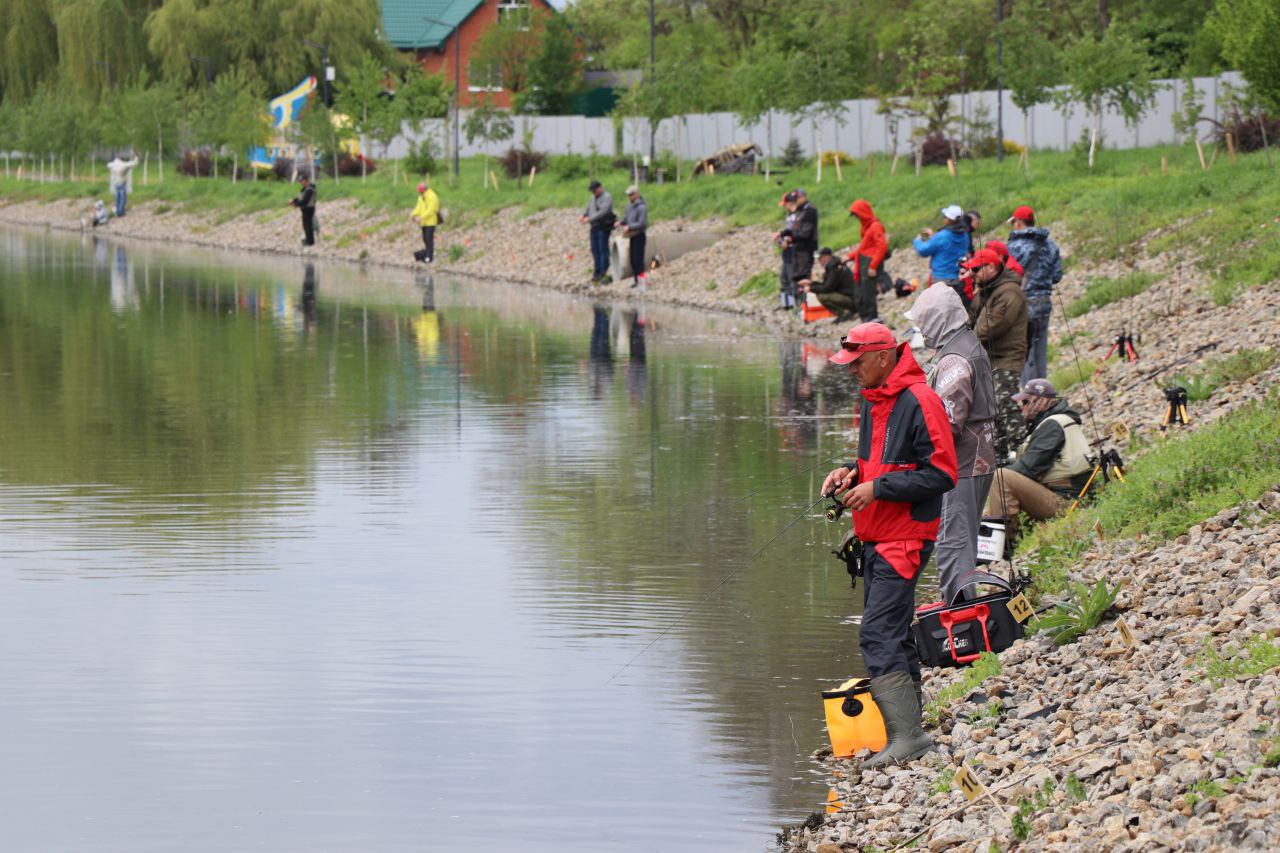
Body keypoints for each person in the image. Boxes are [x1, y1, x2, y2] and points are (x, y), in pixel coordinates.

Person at [821, 323, 958, 768]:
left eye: (857, 362)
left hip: (905, 536)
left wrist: (878, 489)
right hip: (876, 534)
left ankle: (908, 738)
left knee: (877, 633)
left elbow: (942, 474)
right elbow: (875, 462)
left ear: (883, 356)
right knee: (894, 631)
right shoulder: (874, 399)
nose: (852, 371)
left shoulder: (921, 400)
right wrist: (850, 472)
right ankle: (910, 732)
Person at [910, 285, 996, 604]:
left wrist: (912, 447)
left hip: (963, 464)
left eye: (923, 323)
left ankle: (961, 617)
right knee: (961, 541)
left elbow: (947, 421)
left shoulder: (954, 359)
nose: (920, 330)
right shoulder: (966, 343)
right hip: (978, 460)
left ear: (936, 321)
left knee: (953, 544)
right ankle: (962, 610)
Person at [985, 379, 1092, 539]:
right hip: (1068, 496)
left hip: (1067, 502)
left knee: (1000, 478)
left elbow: (1027, 469)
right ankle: (1000, 537)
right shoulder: (1055, 421)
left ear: (1042, 401)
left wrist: (1003, 469)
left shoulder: (1052, 425)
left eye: (1026, 401)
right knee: (992, 505)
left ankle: (1006, 542)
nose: (1022, 406)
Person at [964, 248, 1029, 461]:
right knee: (990, 408)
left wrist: (968, 341)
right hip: (988, 357)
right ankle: (1000, 456)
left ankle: (1024, 450)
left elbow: (995, 326)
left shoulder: (1010, 291)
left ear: (992, 267)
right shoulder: (985, 290)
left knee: (1005, 402)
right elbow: (973, 319)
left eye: (976, 268)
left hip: (1007, 356)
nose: (972, 273)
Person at [1006, 205, 1064, 384]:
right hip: (1044, 302)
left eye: (1013, 222)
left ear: (1019, 223)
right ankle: (1043, 392)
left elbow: (1006, 276)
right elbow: (1057, 276)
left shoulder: (1013, 247)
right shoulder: (1050, 244)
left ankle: (1030, 394)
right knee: (1040, 348)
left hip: (1023, 303)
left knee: (1024, 350)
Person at [913, 204, 970, 304]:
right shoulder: (965, 235)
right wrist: (934, 236)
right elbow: (947, 244)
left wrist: (917, 241)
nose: (944, 219)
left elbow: (923, 251)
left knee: (940, 311)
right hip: (959, 279)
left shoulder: (942, 236)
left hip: (941, 279)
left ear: (949, 220)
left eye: (945, 217)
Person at [847, 199, 889, 319]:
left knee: (868, 293)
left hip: (869, 264)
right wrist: (850, 257)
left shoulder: (875, 226)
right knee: (862, 293)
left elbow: (882, 246)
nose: (857, 218)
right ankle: (866, 319)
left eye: (857, 214)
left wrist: (873, 266)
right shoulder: (866, 227)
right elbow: (864, 248)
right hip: (863, 263)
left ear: (863, 213)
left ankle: (872, 319)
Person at [797, 247, 858, 321]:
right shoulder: (832, 265)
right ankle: (844, 313)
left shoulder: (834, 267)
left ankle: (845, 313)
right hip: (850, 297)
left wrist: (811, 288)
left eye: (820, 258)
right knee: (821, 294)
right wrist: (811, 283)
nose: (819, 261)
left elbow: (827, 288)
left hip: (852, 299)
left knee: (823, 296)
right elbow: (826, 284)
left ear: (826, 257)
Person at [779, 188, 819, 302]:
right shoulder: (800, 211)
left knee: (802, 277)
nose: (795, 201)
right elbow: (793, 230)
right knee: (792, 277)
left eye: (797, 199)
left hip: (805, 249)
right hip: (797, 249)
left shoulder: (810, 211)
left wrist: (790, 239)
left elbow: (805, 233)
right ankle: (795, 303)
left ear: (803, 197)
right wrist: (782, 234)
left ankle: (804, 303)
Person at [580, 180, 615, 283]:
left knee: (602, 250)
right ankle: (597, 272)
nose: (593, 193)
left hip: (603, 227)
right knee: (595, 250)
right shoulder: (592, 198)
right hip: (594, 227)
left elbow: (603, 212)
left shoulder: (607, 197)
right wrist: (584, 215)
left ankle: (603, 272)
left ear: (600, 188)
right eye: (592, 191)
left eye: (595, 190)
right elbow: (588, 209)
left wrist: (589, 219)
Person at [619, 184, 649, 287]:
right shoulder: (629, 206)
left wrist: (630, 227)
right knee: (632, 260)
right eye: (628, 195)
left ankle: (641, 282)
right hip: (632, 236)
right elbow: (626, 218)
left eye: (631, 195)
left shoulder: (642, 207)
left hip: (640, 235)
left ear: (637, 194)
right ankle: (637, 281)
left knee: (638, 260)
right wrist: (621, 223)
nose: (629, 197)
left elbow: (642, 223)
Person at [774, 193, 798, 310]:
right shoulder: (789, 216)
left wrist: (787, 241)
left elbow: (797, 233)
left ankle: (796, 306)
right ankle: (786, 305)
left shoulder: (798, 216)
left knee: (792, 277)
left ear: (790, 203)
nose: (785, 207)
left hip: (793, 250)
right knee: (784, 277)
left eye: (785, 205)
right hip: (787, 251)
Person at [411, 180, 440, 263]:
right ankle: (426, 255)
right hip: (424, 223)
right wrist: (413, 214)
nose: (420, 194)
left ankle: (429, 256)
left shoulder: (432, 196)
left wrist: (421, 217)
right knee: (425, 239)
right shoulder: (421, 198)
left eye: (421, 192)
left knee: (429, 238)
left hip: (431, 222)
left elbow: (431, 210)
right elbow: (418, 208)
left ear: (424, 190)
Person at [290, 174, 317, 247]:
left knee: (308, 225)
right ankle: (308, 239)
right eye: (300, 181)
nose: (300, 182)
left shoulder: (310, 189)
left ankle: (310, 241)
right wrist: (294, 201)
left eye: (301, 181)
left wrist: (296, 205)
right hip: (305, 209)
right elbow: (301, 198)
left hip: (309, 209)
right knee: (305, 225)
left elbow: (305, 200)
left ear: (305, 180)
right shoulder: (305, 189)